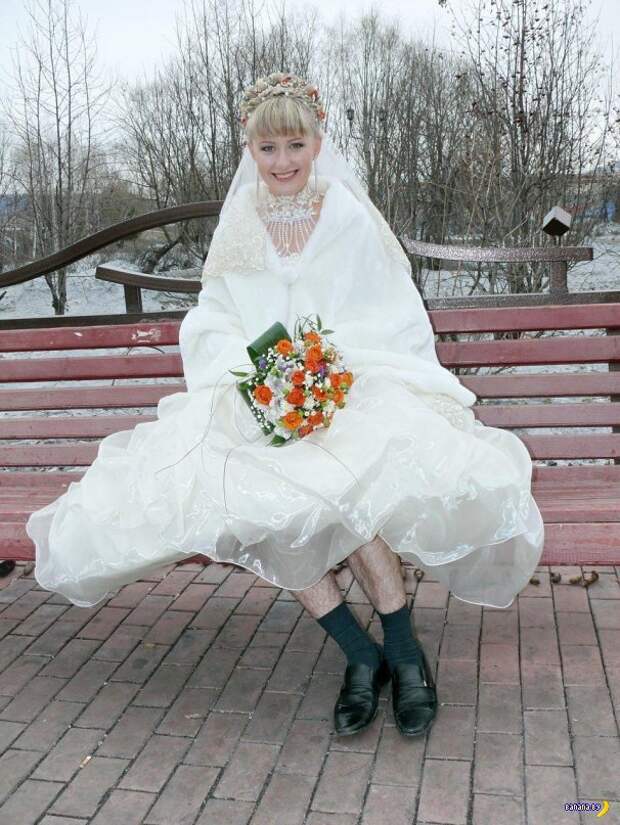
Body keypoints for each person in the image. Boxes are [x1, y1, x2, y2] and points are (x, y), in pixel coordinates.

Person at [26, 72, 545, 739]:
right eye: (267, 147)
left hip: (351, 385)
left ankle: (402, 651)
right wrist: (262, 378)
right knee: (254, 499)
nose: (281, 161)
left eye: (294, 145)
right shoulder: (240, 219)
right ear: (250, 149)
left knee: (349, 483)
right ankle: (360, 653)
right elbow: (215, 316)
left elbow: (387, 306)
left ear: (317, 143)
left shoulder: (346, 214)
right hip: (266, 393)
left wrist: (328, 376)